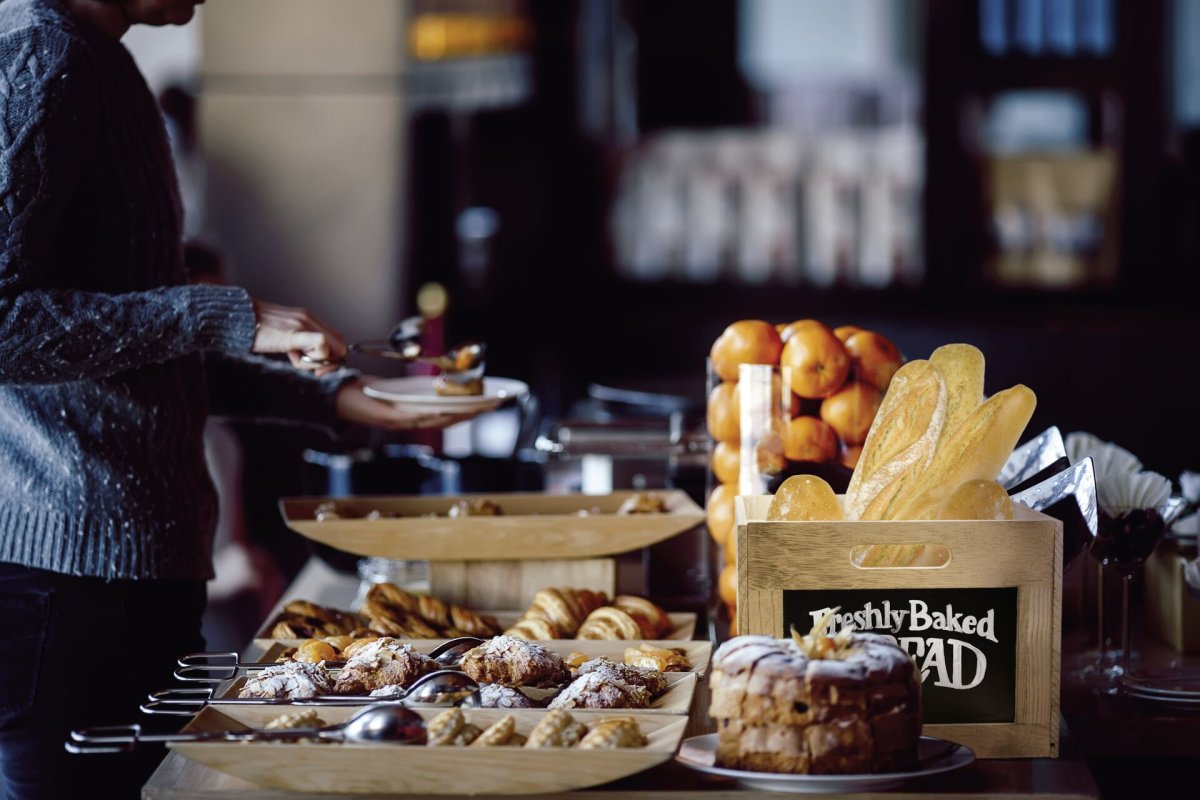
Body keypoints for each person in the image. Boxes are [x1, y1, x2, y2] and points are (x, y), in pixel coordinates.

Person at [0, 1, 471, 797]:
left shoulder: (98, 57)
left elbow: (135, 354)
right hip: (68, 594)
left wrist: (335, 399)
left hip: (128, 578)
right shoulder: (45, 56)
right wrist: (220, 313)